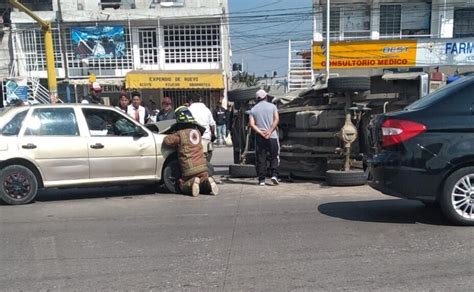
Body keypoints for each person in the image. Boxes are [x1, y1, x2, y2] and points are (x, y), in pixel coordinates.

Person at [163, 106, 219, 197]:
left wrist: (169, 134)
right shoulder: (197, 132)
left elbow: (167, 141)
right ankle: (207, 181)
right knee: (202, 182)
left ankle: (192, 182)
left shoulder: (180, 134)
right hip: (203, 167)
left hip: (189, 169)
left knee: (182, 184)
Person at [249, 89, 280, 186]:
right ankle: (274, 175)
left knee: (261, 158)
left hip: (260, 137)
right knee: (274, 156)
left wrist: (261, 133)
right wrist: (270, 130)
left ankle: (262, 179)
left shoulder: (253, 110)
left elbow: (252, 124)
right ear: (265, 97)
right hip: (272, 136)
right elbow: (276, 119)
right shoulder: (273, 106)